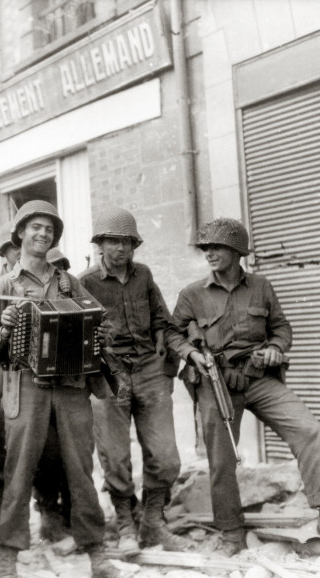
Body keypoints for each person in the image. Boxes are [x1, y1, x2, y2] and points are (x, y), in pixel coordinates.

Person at [165, 218, 320, 557]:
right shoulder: (192, 294)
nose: (209, 253)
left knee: (311, 431)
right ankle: (232, 534)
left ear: (237, 251)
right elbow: (172, 333)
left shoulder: (262, 287)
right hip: (216, 383)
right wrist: (192, 353)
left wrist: (275, 348)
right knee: (222, 461)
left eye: (217, 247)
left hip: (260, 379)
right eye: (205, 247)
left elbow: (282, 328)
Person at [0, 200, 120, 578]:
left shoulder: (71, 282)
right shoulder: (4, 284)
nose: (43, 234)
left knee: (81, 470)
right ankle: (8, 557)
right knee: (18, 471)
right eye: (35, 227)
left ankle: (96, 552)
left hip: (71, 387)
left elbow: (99, 326)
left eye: (49, 229)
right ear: (20, 233)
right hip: (25, 386)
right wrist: (4, 329)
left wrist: (101, 333)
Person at [79, 208, 191, 556]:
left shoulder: (143, 275)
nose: (120, 249)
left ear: (134, 245)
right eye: (113, 241)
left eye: (127, 242)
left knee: (167, 456)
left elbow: (163, 318)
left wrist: (164, 340)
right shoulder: (85, 283)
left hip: (148, 369)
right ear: (100, 245)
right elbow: (77, 335)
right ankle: (127, 524)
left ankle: (153, 522)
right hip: (109, 375)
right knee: (114, 457)